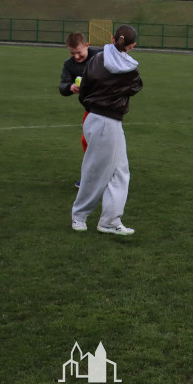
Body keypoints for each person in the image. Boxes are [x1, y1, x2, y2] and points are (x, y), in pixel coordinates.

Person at [71, 25, 143, 235]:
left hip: (98, 117)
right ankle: (79, 216)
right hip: (107, 121)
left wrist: (91, 106)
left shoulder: (96, 58)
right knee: (96, 171)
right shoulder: (130, 68)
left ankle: (110, 220)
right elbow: (136, 87)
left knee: (120, 172)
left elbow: (84, 89)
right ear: (133, 46)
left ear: (112, 38)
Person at [60, 33, 103, 187]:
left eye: (79, 52)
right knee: (87, 141)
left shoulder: (100, 55)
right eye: (72, 53)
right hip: (90, 108)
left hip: (107, 107)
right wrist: (70, 87)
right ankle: (95, 175)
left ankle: (101, 175)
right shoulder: (69, 65)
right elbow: (62, 85)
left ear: (87, 45)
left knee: (100, 142)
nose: (76, 56)